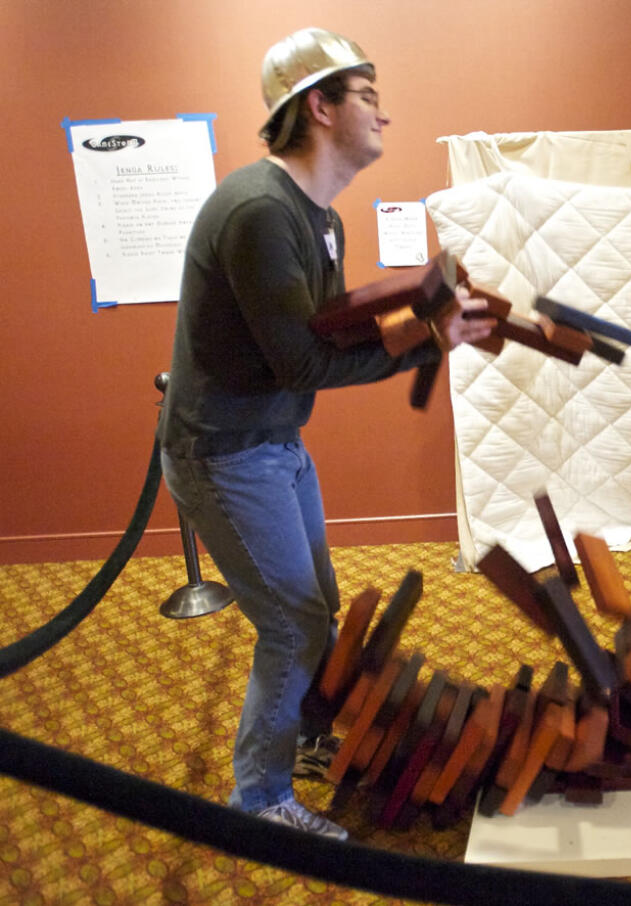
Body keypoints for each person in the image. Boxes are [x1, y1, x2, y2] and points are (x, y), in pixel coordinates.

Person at [158, 27, 493, 839]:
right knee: (294, 622)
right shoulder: (258, 214)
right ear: (320, 106)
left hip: (273, 444)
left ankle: (308, 736)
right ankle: (260, 799)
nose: (386, 116)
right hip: (225, 453)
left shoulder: (320, 219)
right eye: (369, 98)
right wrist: (427, 336)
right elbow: (306, 365)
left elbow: (336, 335)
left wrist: (427, 312)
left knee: (318, 606)